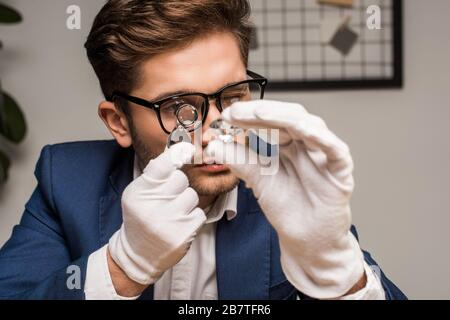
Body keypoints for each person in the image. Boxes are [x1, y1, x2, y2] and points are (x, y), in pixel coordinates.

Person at [0, 0, 406, 300]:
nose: (216, 127)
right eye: (180, 107)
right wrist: (122, 267)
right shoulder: (67, 180)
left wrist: (338, 273)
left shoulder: (290, 181)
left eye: (232, 95)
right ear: (119, 122)